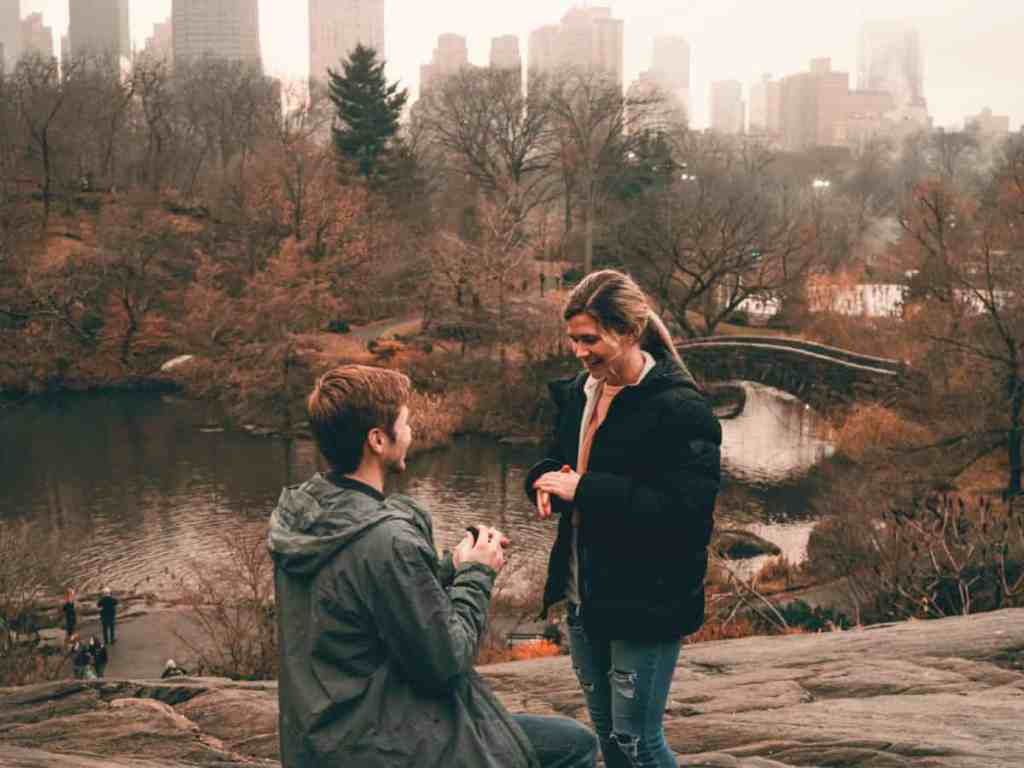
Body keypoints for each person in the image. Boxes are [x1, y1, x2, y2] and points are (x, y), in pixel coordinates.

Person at [269, 364, 598, 768]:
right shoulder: (386, 540)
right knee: (576, 745)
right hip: (380, 744)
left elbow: (362, 595)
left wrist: (449, 567)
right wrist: (477, 574)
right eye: (405, 423)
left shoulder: (305, 515)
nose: (411, 433)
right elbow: (447, 661)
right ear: (377, 440)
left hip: (322, 736)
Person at [525, 269, 722, 768]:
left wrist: (584, 490)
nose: (579, 351)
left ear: (630, 332)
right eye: (573, 339)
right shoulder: (580, 392)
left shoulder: (680, 408)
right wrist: (543, 482)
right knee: (610, 740)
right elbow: (557, 459)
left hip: (647, 600)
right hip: (584, 594)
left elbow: (687, 515)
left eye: (590, 340)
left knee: (638, 742)